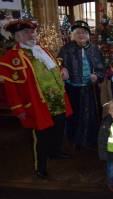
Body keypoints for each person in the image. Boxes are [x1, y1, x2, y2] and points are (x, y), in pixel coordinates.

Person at [0, 20, 72, 178]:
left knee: (58, 128)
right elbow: (11, 89)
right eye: (27, 32)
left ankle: (55, 152)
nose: (32, 35)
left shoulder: (43, 50)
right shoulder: (12, 58)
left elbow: (54, 66)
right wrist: (18, 109)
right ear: (18, 36)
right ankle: (41, 167)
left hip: (57, 99)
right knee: (42, 137)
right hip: (37, 104)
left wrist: (62, 69)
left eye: (32, 32)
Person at [58, 20, 104, 150]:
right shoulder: (66, 48)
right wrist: (62, 69)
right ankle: (75, 140)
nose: (81, 35)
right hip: (73, 88)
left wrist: (97, 76)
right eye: (78, 32)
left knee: (91, 115)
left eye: (84, 32)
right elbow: (58, 64)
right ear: (73, 34)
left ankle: (91, 140)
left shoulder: (94, 49)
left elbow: (101, 67)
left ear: (88, 35)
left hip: (90, 88)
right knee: (75, 115)